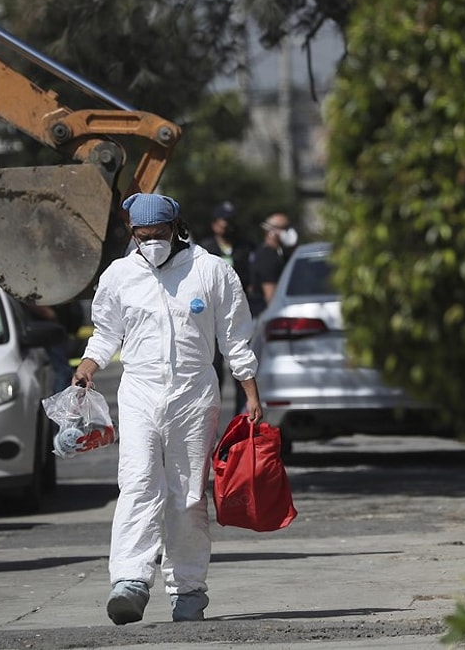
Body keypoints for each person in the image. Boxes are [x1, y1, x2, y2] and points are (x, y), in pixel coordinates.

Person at [72, 192, 262, 626]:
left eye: (160, 234)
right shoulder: (120, 275)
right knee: (138, 483)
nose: (152, 242)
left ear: (177, 228)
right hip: (139, 390)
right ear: (132, 234)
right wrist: (88, 364)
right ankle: (130, 581)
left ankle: (188, 590)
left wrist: (250, 391)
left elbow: (235, 338)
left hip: (194, 396)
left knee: (188, 495)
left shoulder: (211, 271)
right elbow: (106, 332)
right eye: (144, 236)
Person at [197, 201, 254, 410]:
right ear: (214, 224)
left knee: (241, 366)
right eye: (223, 222)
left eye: (230, 222)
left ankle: (242, 416)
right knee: (213, 370)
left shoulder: (245, 247)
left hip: (236, 313)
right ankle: (212, 415)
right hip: (211, 317)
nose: (227, 226)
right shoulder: (204, 250)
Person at [247, 212, 298, 316]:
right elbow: (270, 294)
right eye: (284, 228)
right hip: (263, 315)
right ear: (271, 231)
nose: (288, 232)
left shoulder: (277, 254)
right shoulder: (267, 256)